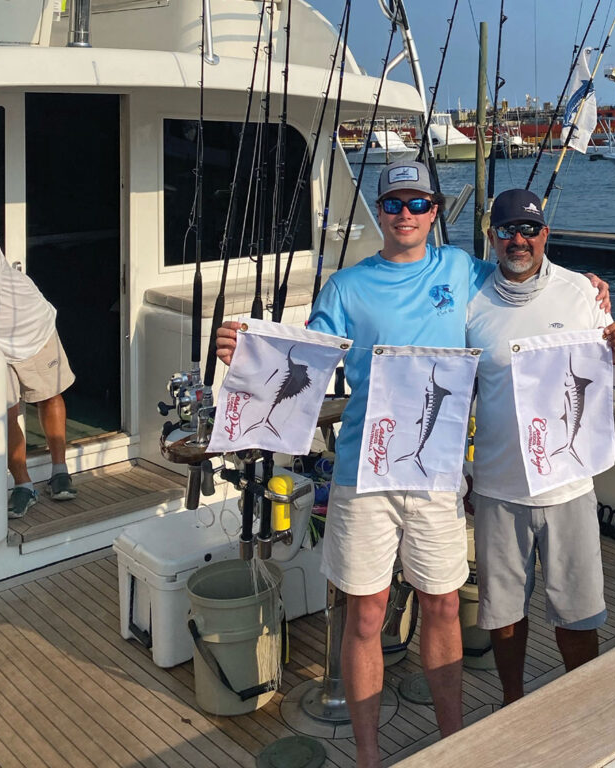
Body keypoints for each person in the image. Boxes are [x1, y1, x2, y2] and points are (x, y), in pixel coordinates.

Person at [217, 161, 492, 768]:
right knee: (364, 612)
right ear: (380, 209)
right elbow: (305, 358)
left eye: (418, 203)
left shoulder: (464, 269)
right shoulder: (345, 286)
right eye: (394, 203)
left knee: (443, 603)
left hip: (437, 472)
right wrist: (246, 351)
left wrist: (591, 291)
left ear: (435, 210)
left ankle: (456, 745)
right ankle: (368, 757)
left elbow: (527, 287)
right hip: (362, 473)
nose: (405, 215)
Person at [465, 188, 615, 705]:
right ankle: (511, 703)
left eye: (529, 229)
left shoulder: (583, 292)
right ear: (492, 237)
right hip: (497, 487)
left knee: (578, 614)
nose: (519, 239)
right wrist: (459, 474)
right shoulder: (471, 302)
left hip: (568, 488)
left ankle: (584, 708)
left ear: (546, 235)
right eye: (507, 230)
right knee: (503, 616)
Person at [0, 226, 77, 519]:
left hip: (30, 326)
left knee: (49, 396)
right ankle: (23, 485)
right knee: (4, 413)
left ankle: (60, 471)